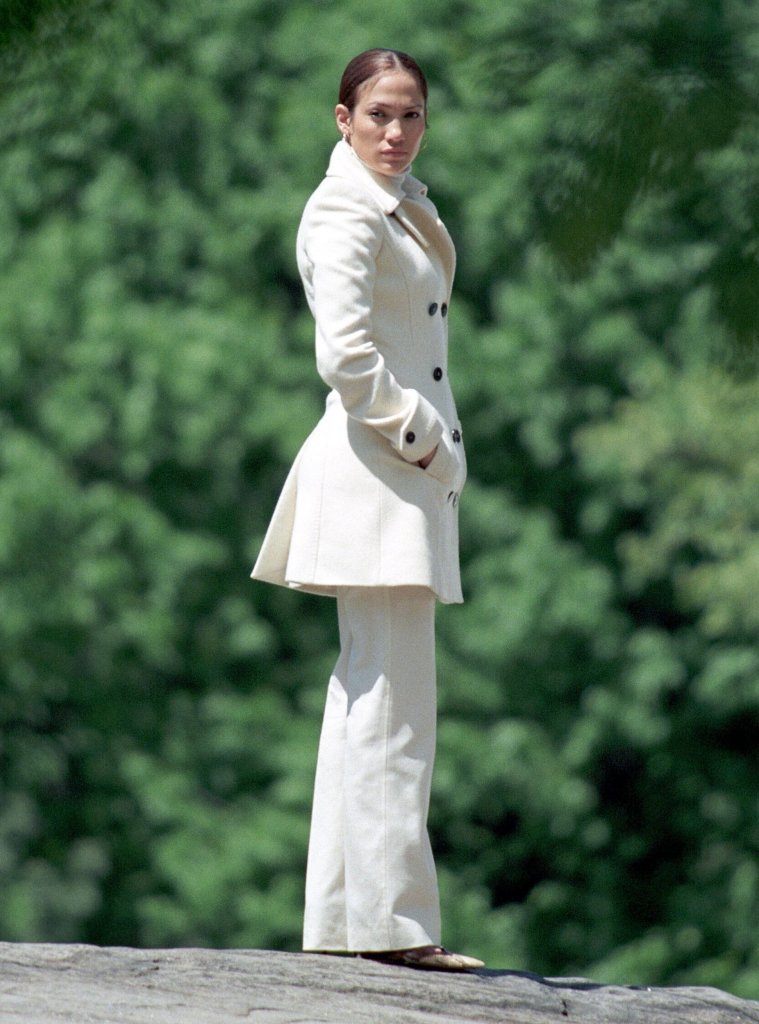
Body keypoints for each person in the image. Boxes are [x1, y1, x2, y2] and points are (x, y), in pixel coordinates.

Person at [251, 48, 482, 971]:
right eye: (378, 114)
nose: (395, 132)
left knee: (370, 704)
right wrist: (424, 437)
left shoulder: (400, 198)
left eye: (411, 115)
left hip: (395, 479)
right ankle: (390, 930)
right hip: (381, 474)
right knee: (390, 707)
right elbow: (344, 357)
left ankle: (353, 924)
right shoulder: (344, 206)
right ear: (340, 117)